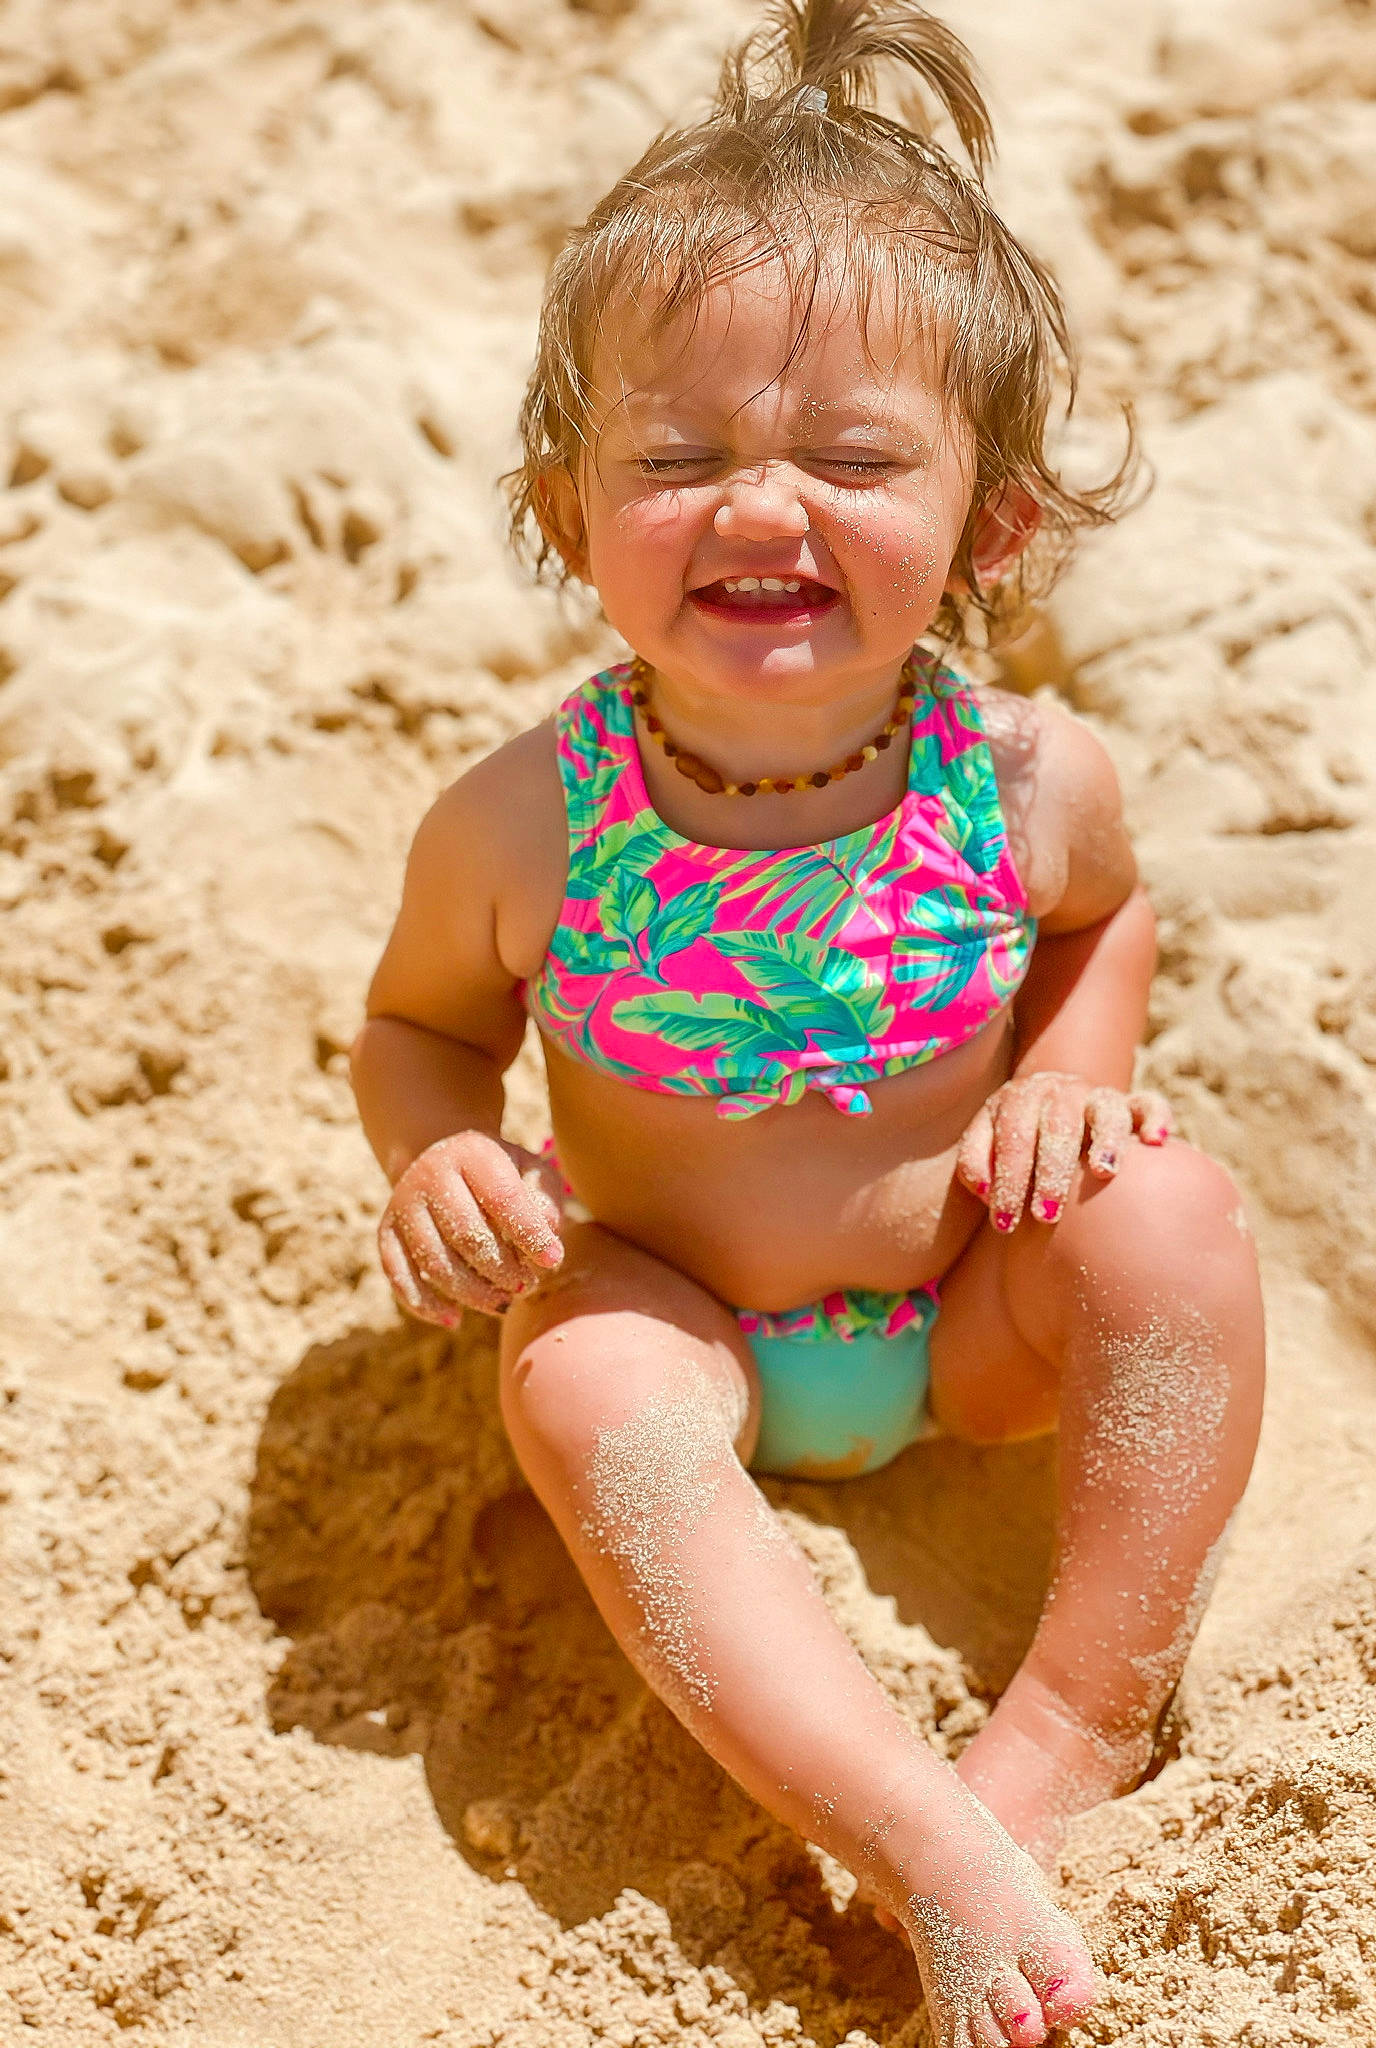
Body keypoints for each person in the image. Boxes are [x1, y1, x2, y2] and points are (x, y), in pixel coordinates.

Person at [350, 3, 1265, 2040]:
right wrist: (441, 1154)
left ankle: (1072, 1718)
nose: (760, 505)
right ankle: (917, 1835)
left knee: (1178, 1220)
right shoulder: (527, 818)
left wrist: (1071, 1077)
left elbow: (1099, 924)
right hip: (683, 1310)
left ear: (992, 523)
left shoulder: (1026, 781)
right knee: (574, 1373)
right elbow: (416, 1028)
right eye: (674, 461)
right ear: (565, 507)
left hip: (964, 1318)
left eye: (854, 459)